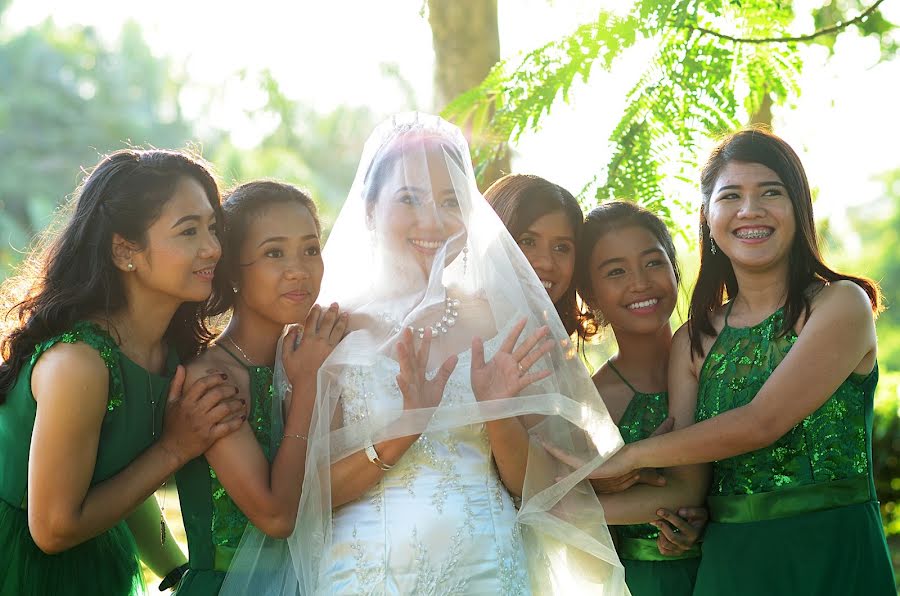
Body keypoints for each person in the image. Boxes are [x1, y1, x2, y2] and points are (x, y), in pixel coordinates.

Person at [221, 113, 629, 595]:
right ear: (370, 209)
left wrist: (496, 412)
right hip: (369, 572)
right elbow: (311, 495)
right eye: (410, 198)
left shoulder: (501, 322)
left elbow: (531, 487)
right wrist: (406, 427)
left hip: (489, 567)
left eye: (449, 201)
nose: (432, 220)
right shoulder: (330, 328)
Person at [571, 128, 896, 594]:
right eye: (731, 196)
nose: (751, 210)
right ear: (707, 218)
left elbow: (761, 422)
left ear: (798, 208)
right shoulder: (694, 341)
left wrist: (628, 458)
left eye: (770, 192)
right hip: (731, 567)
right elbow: (686, 488)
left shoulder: (840, 305)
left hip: (834, 553)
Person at [0, 149, 244, 596]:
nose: (212, 248)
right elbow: (52, 529)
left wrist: (179, 575)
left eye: (212, 227)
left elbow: (115, 478)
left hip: (95, 561)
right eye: (188, 231)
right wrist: (175, 448)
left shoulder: (171, 352)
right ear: (124, 250)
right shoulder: (79, 364)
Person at [174, 181, 346, 594]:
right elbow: (276, 518)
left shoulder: (318, 354)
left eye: (310, 249)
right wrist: (306, 390)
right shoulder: (210, 377)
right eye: (274, 253)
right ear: (231, 270)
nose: (299, 270)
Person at [576, 201, 704, 595]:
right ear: (591, 294)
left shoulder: (715, 363)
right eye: (616, 271)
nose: (640, 282)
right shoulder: (592, 402)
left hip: (739, 561)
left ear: (674, 267)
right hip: (645, 582)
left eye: (652, 262)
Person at [484, 174, 584, 336]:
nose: (547, 263)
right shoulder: (440, 327)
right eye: (528, 241)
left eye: (561, 248)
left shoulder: (556, 346)